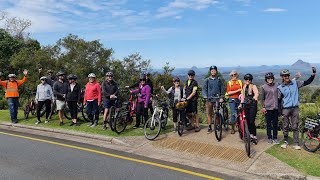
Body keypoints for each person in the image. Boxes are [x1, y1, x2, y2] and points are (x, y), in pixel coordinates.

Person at [278, 67, 316, 150]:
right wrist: (280, 112)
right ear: (282, 77)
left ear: (289, 75)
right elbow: (279, 100)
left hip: (295, 108)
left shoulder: (295, 83)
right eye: (284, 76)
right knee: (285, 126)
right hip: (285, 109)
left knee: (295, 126)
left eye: (287, 75)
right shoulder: (280, 87)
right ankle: (285, 141)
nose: (286, 77)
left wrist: (313, 74)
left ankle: (296, 143)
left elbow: (307, 82)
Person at [202, 65, 225, 134]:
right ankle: (209, 126)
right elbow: (204, 89)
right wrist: (205, 96)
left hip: (217, 99)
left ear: (216, 71)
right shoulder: (207, 80)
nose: (213, 71)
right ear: (210, 71)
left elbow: (222, 89)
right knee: (209, 113)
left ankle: (217, 125)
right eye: (212, 70)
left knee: (217, 113)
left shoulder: (219, 79)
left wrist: (221, 97)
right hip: (209, 99)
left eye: (214, 70)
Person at [239, 73, 259, 145]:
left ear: (251, 80)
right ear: (244, 80)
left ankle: (254, 136)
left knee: (251, 120)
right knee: (247, 121)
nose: (248, 80)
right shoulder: (243, 87)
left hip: (252, 105)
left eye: (249, 79)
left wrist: (254, 98)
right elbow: (243, 97)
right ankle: (250, 134)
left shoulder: (253, 86)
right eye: (246, 79)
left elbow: (256, 93)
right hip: (246, 105)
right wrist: (241, 104)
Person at [225, 70, 243, 134]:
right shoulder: (229, 83)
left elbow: (243, 90)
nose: (233, 76)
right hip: (232, 100)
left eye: (234, 74)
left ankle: (241, 127)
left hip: (240, 99)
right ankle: (232, 128)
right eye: (232, 75)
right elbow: (229, 92)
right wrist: (237, 90)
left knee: (240, 114)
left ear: (237, 75)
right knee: (233, 114)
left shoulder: (240, 82)